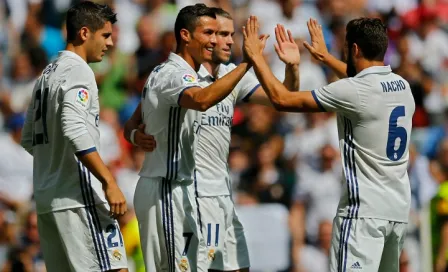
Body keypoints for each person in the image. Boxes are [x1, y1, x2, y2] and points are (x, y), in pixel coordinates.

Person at [125, 7, 299, 272]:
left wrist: (292, 66)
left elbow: (284, 97)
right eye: (215, 33)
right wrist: (249, 61)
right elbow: (200, 100)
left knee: (237, 266)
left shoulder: (228, 75)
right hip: (182, 191)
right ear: (188, 36)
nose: (224, 40)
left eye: (229, 34)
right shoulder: (175, 75)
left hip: (218, 192)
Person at [243, 16, 415, 271]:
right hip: (397, 212)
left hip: (363, 215)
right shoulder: (402, 86)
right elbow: (360, 84)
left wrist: (256, 57)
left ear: (354, 49)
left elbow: (281, 99)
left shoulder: (353, 91)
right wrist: (324, 57)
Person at [20, 2, 131, 271]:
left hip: (48, 200)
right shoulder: (79, 70)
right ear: (84, 33)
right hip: (79, 197)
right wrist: (108, 181)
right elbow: (73, 126)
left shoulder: (46, 75)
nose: (111, 42)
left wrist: (55, 161)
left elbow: (27, 138)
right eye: (105, 35)